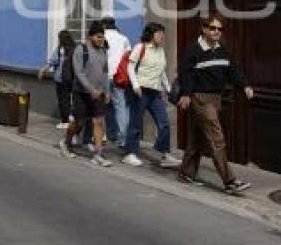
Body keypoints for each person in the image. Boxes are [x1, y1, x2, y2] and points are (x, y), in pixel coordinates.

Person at [177, 14, 253, 194]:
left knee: (198, 136)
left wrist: (244, 85)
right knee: (216, 137)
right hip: (200, 98)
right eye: (212, 28)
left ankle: (186, 173)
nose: (217, 31)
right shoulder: (194, 50)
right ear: (204, 29)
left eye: (219, 29)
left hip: (215, 99)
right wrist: (186, 94)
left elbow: (232, 71)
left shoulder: (222, 49)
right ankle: (230, 181)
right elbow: (185, 73)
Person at [123, 22, 180, 168]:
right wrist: (135, 85)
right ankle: (130, 153)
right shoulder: (140, 47)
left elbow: (161, 72)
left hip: (155, 93)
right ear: (151, 34)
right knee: (136, 123)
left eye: (163, 33)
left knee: (164, 123)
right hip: (141, 90)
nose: (162, 36)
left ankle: (164, 154)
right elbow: (130, 66)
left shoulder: (160, 50)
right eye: (159, 33)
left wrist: (167, 89)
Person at [59, 22, 112, 167]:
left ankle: (98, 154)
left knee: (98, 121)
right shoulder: (81, 50)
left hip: (98, 94)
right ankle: (66, 142)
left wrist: (107, 91)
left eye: (102, 37)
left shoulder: (103, 51)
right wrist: (90, 89)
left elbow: (105, 73)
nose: (101, 40)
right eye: (98, 37)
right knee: (79, 122)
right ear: (90, 36)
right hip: (81, 93)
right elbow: (79, 72)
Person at [102, 16, 131, 147]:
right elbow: (129, 57)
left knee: (102, 105)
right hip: (119, 76)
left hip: (103, 76)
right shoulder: (123, 38)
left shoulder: (101, 37)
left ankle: (104, 134)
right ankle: (123, 138)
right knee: (121, 107)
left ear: (103, 25)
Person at [39, 30, 76, 129]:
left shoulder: (60, 49)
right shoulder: (75, 48)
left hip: (61, 78)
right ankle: (70, 115)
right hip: (72, 78)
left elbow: (52, 61)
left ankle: (65, 121)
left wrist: (43, 70)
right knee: (70, 98)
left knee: (63, 100)